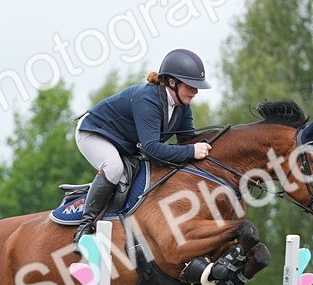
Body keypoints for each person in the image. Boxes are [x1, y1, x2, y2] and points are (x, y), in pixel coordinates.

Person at [72, 48, 213, 241]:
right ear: (172, 82)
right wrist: (190, 151)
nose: (196, 91)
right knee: (114, 168)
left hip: (124, 143)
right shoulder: (148, 99)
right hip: (94, 132)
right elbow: (151, 148)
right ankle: (85, 227)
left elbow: (188, 140)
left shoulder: (182, 106)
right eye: (191, 86)